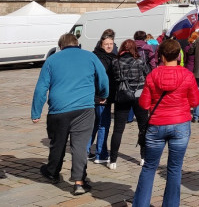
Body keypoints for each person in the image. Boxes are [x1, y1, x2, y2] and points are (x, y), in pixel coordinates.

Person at [31, 33, 108, 195]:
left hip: (58, 109)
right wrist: (103, 94)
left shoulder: (52, 60)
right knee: (79, 146)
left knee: (57, 142)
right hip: (84, 108)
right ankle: (79, 182)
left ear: (61, 46)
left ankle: (52, 171)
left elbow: (41, 88)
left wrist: (36, 112)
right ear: (77, 44)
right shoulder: (90, 56)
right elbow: (103, 79)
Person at [132, 39, 199, 207]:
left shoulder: (153, 75)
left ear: (161, 56)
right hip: (180, 124)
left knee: (149, 167)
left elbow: (144, 104)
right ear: (178, 56)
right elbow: (195, 101)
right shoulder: (187, 75)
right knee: (175, 169)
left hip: (157, 125)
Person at [109, 39, 150, 170]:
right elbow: (148, 75)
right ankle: (144, 157)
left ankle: (113, 160)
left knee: (118, 129)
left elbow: (112, 78)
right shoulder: (139, 61)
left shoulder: (115, 62)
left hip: (122, 96)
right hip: (139, 96)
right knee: (143, 127)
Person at [88, 33, 117, 164]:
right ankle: (101, 154)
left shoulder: (97, 56)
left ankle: (86, 151)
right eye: (106, 44)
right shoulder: (102, 58)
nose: (109, 46)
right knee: (103, 125)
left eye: (111, 44)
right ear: (101, 44)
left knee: (94, 124)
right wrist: (102, 96)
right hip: (102, 97)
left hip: (97, 96)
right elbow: (99, 79)